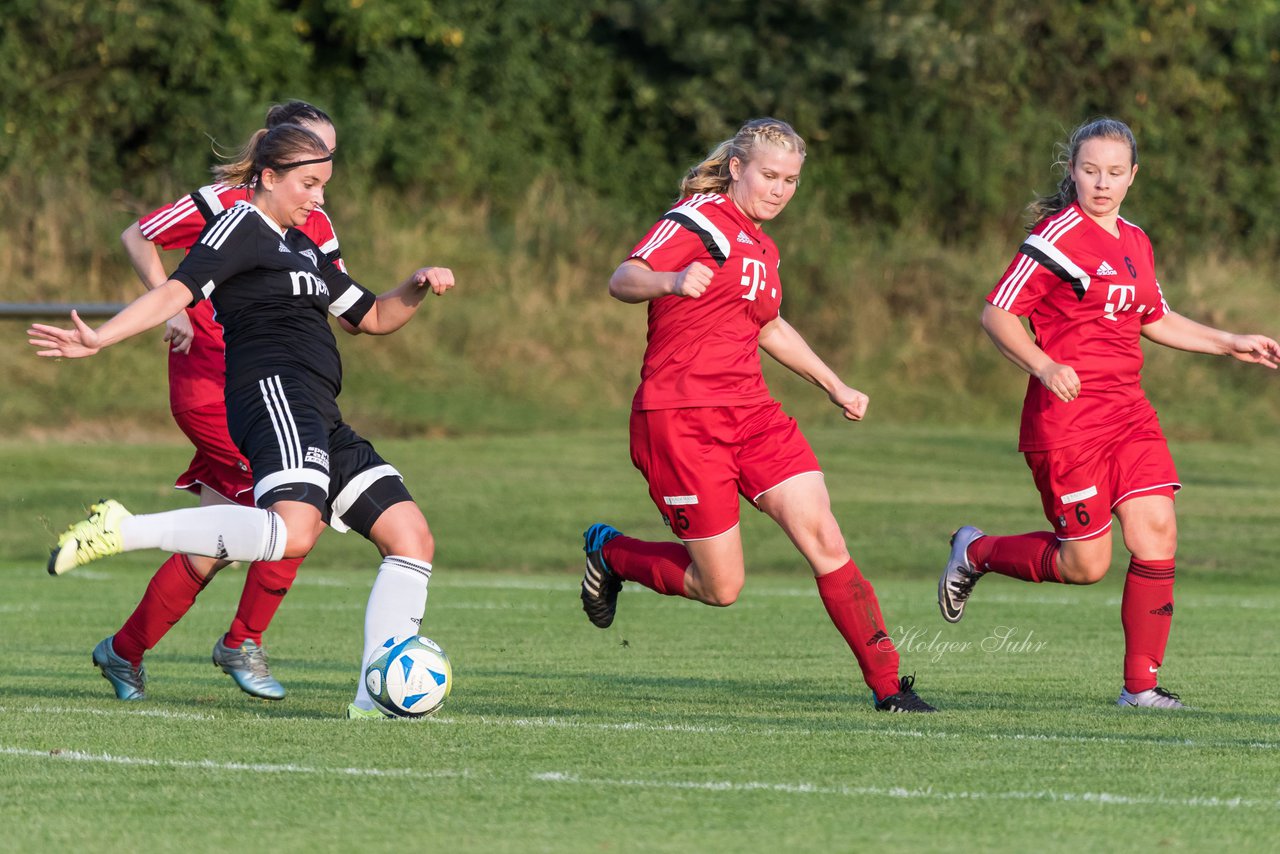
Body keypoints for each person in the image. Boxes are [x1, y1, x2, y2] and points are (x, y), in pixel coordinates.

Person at [31, 123, 456, 719]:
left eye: (324, 186)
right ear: (269, 177)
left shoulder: (302, 245)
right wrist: (101, 337)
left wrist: (416, 285)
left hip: (320, 412)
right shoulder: (240, 226)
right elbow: (175, 293)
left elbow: (374, 315)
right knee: (293, 533)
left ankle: (373, 697)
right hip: (272, 394)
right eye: (309, 184)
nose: (319, 198)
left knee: (410, 538)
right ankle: (126, 528)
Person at [579, 118, 936, 713]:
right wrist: (670, 278)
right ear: (738, 168)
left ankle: (889, 686)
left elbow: (766, 325)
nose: (779, 189)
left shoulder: (763, 245)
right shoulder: (695, 217)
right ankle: (611, 555)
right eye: (769, 175)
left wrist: (834, 384)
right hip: (681, 419)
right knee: (720, 587)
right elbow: (623, 278)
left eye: (791, 180)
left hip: (753, 415)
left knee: (825, 535)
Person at [937, 117, 1280, 709]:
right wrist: (1043, 366)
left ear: (1132, 177)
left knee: (1157, 532)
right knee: (1084, 565)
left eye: (1115, 173)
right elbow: (996, 313)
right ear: (1072, 172)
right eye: (1090, 170)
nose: (1102, 183)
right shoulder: (1055, 237)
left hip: (1129, 416)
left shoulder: (1136, 241)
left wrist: (1230, 342)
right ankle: (976, 550)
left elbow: (1152, 317)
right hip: (1066, 424)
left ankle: (1140, 689)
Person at [56, 101, 342, 705]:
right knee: (294, 519)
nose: (322, 179)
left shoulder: (314, 220)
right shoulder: (224, 204)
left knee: (221, 543)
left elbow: (335, 294)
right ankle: (242, 639)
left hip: (279, 394)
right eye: (313, 164)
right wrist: (175, 304)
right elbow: (139, 234)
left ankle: (125, 651)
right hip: (215, 389)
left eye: (328, 168)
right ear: (279, 156)